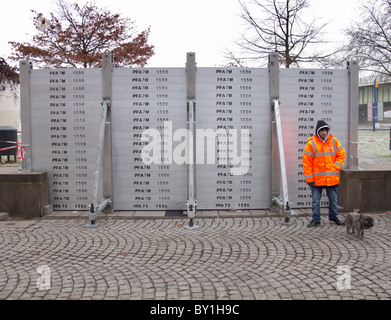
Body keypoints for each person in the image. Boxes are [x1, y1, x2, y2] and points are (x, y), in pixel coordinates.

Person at [303, 120, 346, 228]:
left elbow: (341, 154)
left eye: (325, 130)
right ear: (318, 131)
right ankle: (316, 219)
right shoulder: (311, 144)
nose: (324, 133)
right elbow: (306, 162)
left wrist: (335, 167)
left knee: (333, 200)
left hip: (331, 178)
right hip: (317, 180)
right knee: (316, 201)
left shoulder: (334, 141)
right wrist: (310, 179)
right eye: (322, 130)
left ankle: (333, 216)